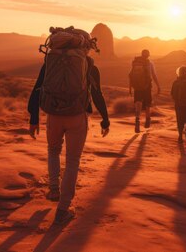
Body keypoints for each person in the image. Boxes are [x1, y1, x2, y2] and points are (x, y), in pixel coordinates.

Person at [27, 28, 110, 225]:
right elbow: (97, 94)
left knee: (53, 151)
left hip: (53, 115)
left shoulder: (50, 61)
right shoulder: (89, 64)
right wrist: (105, 119)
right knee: (72, 161)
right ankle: (63, 209)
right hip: (76, 116)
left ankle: (54, 189)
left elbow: (38, 88)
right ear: (86, 46)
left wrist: (34, 118)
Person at [128, 49, 161, 133]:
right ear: (148, 55)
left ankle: (137, 120)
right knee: (147, 103)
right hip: (147, 86)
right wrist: (158, 85)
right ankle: (147, 119)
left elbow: (131, 75)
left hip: (137, 86)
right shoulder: (150, 63)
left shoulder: (135, 63)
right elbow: (153, 75)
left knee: (138, 102)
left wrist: (130, 88)